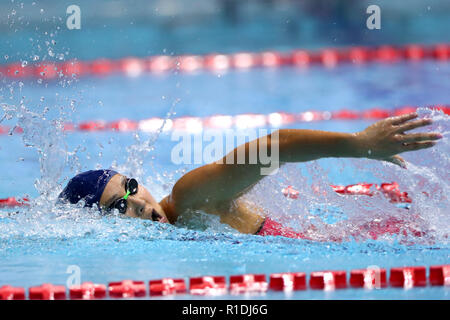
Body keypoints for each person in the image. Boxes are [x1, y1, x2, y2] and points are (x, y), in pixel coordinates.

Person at [58, 112, 442, 240]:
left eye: (130, 187)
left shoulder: (189, 197)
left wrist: (359, 145)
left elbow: (277, 145)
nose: (139, 202)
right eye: (118, 206)